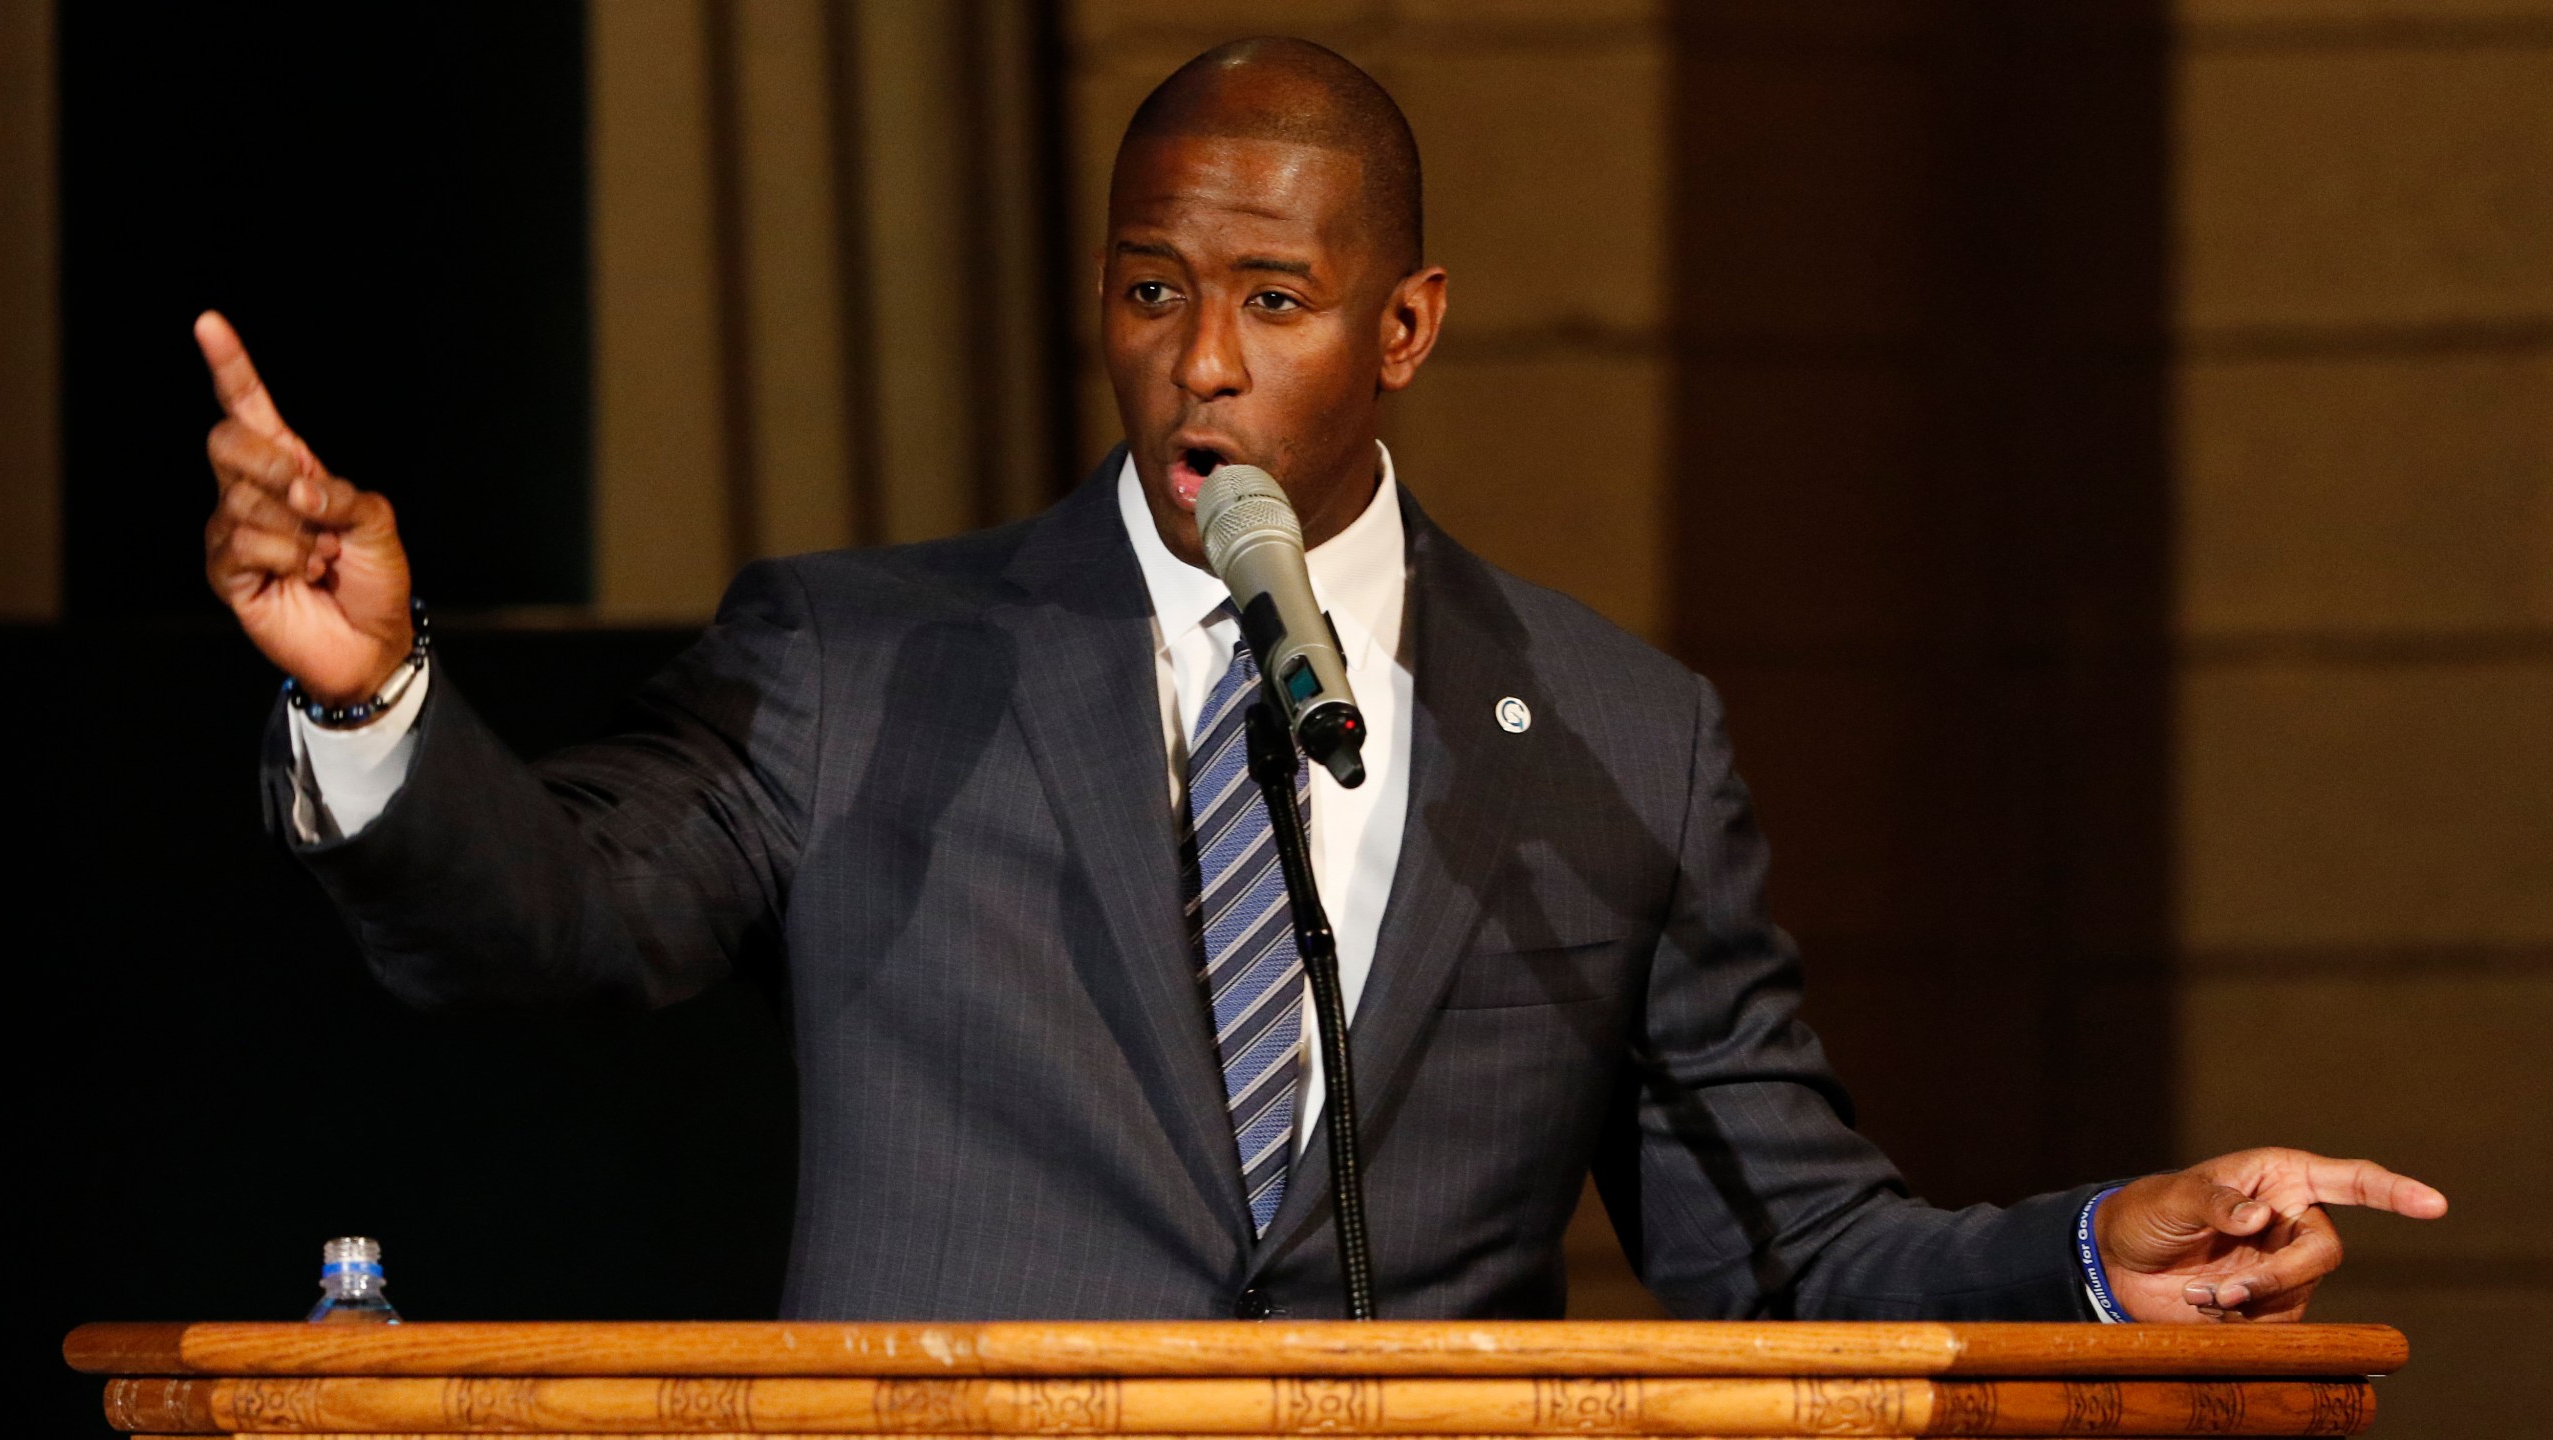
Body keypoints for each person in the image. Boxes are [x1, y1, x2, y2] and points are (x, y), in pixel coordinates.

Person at [195, 37, 2443, 1321]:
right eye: (1148, 287)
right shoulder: (865, 665)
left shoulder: (1614, 735)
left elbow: (1778, 1241)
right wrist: (379, 699)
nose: (1195, 362)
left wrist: (2081, 1251)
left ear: (1403, 326)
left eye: (1269, 299)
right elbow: (560, 921)